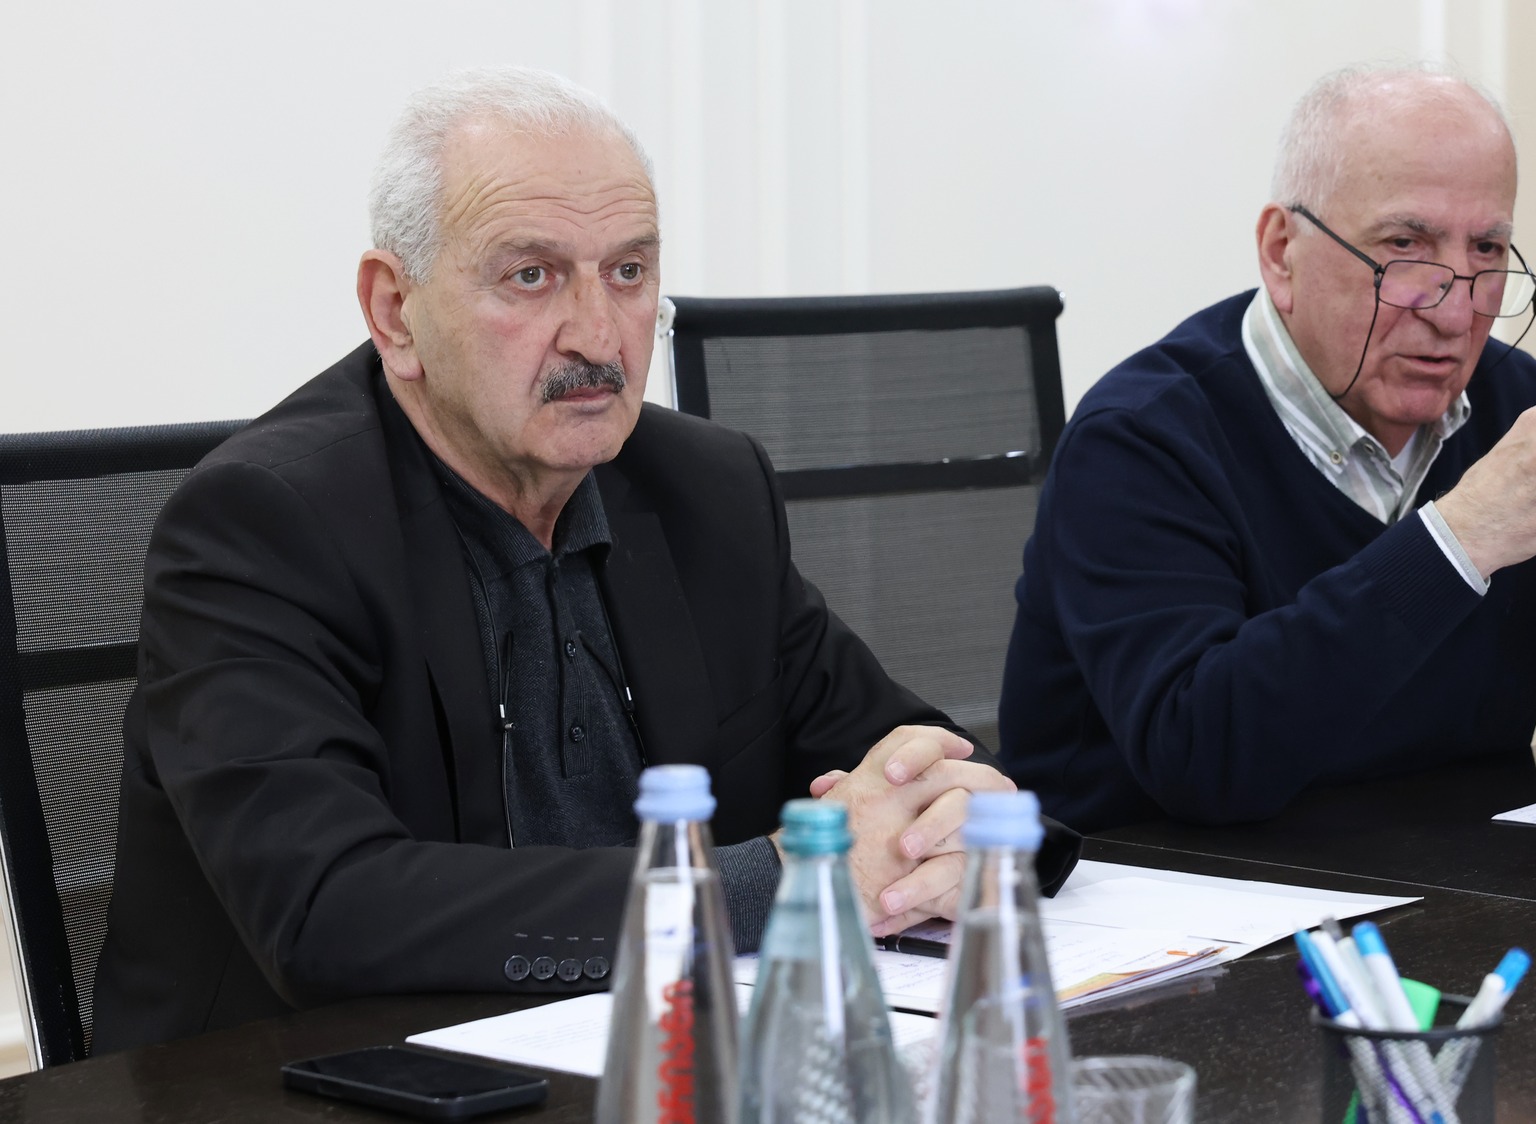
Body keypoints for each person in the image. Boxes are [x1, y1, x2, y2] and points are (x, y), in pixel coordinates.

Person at [95, 68, 1053, 1051]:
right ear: (395, 311)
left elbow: (904, 748)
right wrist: (781, 882)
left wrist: (973, 821)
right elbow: (329, 906)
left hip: (653, 1052)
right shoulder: (262, 525)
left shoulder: (705, 486)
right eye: (531, 275)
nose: (598, 336)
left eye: (628, 271)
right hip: (313, 1075)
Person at [998, 64, 1536, 834]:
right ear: (1281, 251)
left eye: (1487, 250)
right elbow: (1204, 756)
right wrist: (1460, 540)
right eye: (1406, 245)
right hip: (1162, 900)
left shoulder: (1508, 402)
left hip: (1445, 893)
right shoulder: (1140, 439)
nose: (1456, 312)